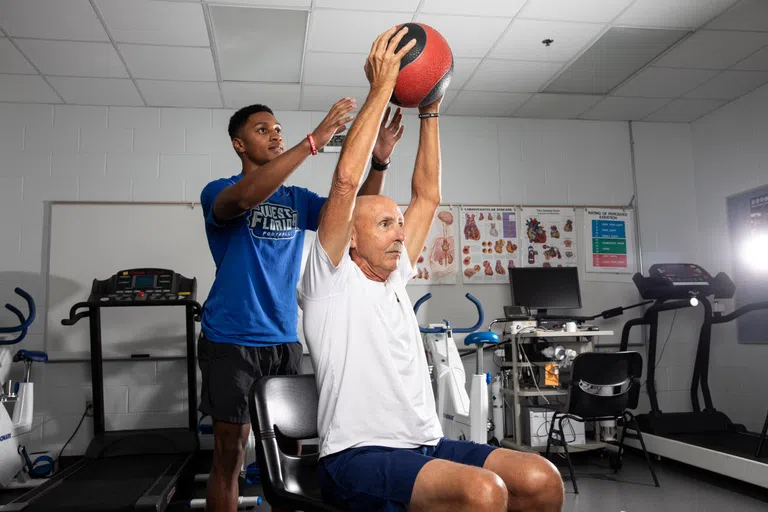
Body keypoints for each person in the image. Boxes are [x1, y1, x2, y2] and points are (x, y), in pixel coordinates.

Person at [298, 26, 565, 512]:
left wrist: (431, 109)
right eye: (385, 223)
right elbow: (344, 183)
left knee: (539, 478)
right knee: (483, 494)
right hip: (356, 457)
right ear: (351, 238)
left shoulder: (396, 276)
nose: (400, 232)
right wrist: (381, 88)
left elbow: (428, 196)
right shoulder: (328, 281)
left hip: (425, 444)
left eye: (399, 224)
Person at [198, 91, 406, 511]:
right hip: (231, 339)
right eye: (263, 130)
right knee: (231, 456)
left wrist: (379, 161)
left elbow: (352, 211)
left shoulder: (297, 200)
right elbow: (244, 199)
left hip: (283, 339)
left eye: (278, 129)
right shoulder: (219, 191)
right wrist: (314, 141)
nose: (274, 134)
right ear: (239, 144)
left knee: (287, 457)